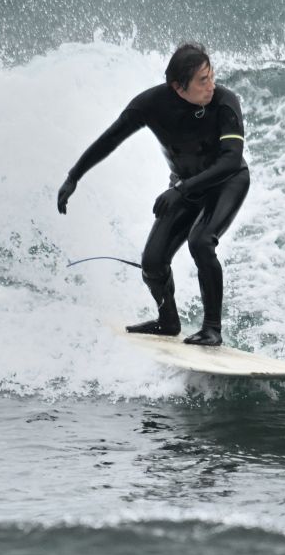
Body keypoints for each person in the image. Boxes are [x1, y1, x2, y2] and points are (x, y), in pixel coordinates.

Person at [57, 42, 249, 346]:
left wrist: (181, 189)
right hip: (185, 185)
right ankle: (168, 322)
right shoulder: (151, 105)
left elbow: (229, 160)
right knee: (152, 263)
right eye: (202, 80)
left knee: (200, 241)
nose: (211, 86)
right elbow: (111, 139)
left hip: (227, 182)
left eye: (212, 77)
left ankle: (212, 328)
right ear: (178, 87)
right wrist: (74, 176)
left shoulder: (225, 102)